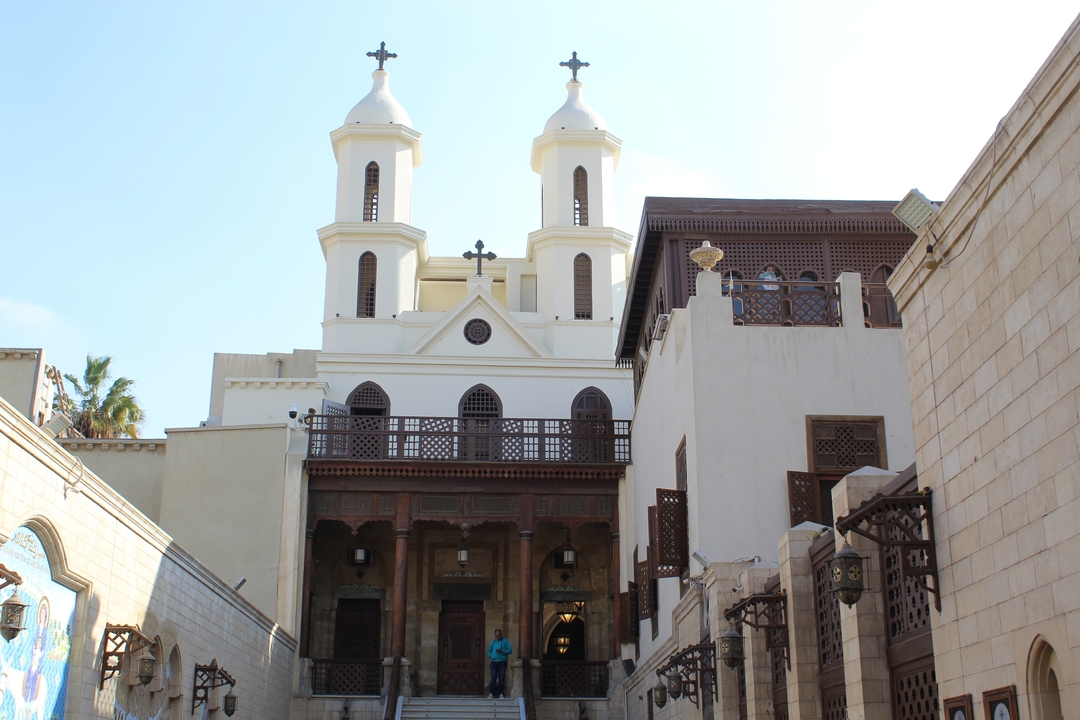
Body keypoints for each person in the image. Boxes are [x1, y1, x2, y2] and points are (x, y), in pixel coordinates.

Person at [487, 628, 512, 698]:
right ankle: (491, 693)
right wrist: (491, 656)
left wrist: (502, 651)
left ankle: (501, 693)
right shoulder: (492, 642)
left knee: (501, 678)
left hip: (502, 662)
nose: (497, 637)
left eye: (499, 636)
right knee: (493, 678)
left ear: (501, 635)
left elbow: (510, 650)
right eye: (496, 636)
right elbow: (489, 651)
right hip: (494, 662)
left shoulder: (505, 641)